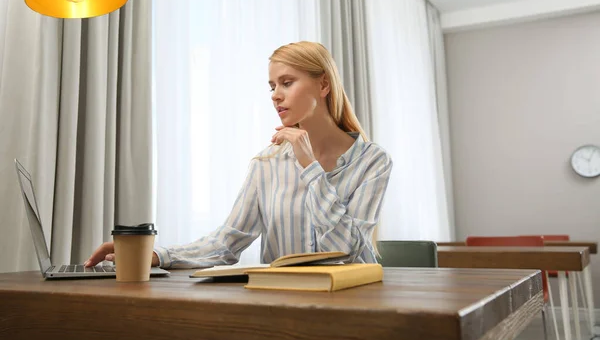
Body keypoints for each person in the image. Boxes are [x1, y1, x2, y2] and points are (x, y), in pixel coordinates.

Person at [85, 41, 393, 269]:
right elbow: (226, 243)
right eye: (272, 86)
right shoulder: (266, 165)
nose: (275, 94)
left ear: (323, 83)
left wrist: (309, 167)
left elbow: (346, 250)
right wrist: (155, 256)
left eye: (287, 82)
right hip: (283, 307)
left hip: (355, 305)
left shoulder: (372, 162)